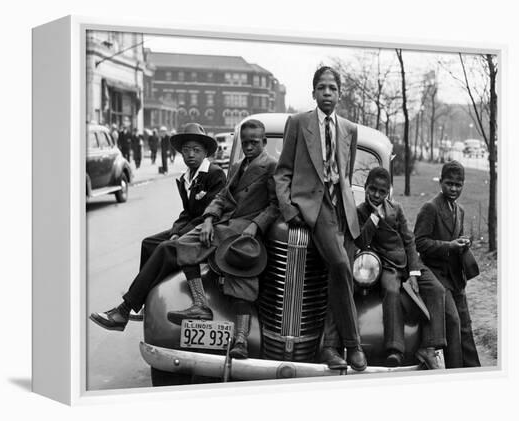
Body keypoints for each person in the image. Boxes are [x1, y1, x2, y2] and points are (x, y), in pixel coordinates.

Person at [90, 119, 279, 358]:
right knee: (173, 247)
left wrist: (254, 226)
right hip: (222, 226)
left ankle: (125, 309)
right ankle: (178, 306)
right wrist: (209, 218)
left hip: (241, 233)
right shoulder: (239, 165)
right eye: (245, 142)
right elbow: (222, 197)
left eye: (254, 142)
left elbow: (275, 206)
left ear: (264, 142)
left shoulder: (271, 166)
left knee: (171, 249)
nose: (250, 146)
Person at [273, 66, 366, 371]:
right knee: (340, 265)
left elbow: (347, 173)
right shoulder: (299, 123)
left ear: (340, 93)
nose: (327, 93)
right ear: (313, 92)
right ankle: (353, 346)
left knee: (340, 276)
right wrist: (290, 210)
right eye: (322, 88)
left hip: (343, 210)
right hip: (315, 206)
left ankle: (330, 346)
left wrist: (348, 205)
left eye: (333, 88)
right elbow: (283, 171)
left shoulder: (349, 129)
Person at [355, 167, 446, 369]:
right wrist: (374, 218)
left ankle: (429, 347)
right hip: (386, 265)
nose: (377, 195)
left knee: (436, 289)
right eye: (373, 190)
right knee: (391, 290)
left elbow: (409, 241)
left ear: (389, 192)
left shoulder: (396, 209)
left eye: (382, 191)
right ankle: (394, 348)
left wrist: (414, 272)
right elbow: (362, 242)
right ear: (365, 188)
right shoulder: (361, 212)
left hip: (408, 264)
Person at [414, 161, 481, 368]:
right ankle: (455, 372)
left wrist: (462, 242)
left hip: (455, 277)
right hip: (436, 275)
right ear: (440, 182)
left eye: (458, 185)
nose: (453, 189)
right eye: (449, 183)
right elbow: (420, 242)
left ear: (463, 185)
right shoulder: (430, 208)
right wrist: (449, 245)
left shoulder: (459, 210)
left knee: (466, 327)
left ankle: (474, 371)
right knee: (452, 321)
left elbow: (455, 237)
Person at [139, 123, 226, 269]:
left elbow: (207, 215)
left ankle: (143, 289)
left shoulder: (214, 174)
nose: (191, 154)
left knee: (164, 248)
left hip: (204, 231)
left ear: (205, 152)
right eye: (186, 150)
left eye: (196, 150)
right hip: (188, 228)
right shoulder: (185, 178)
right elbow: (187, 212)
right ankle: (145, 287)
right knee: (148, 243)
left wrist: (179, 234)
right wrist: (175, 231)